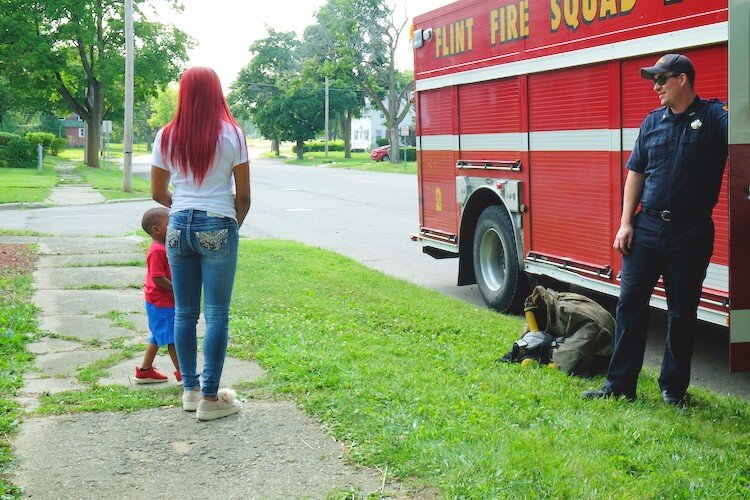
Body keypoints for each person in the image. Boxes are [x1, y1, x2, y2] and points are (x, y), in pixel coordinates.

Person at [583, 54, 728, 406]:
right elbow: (636, 172)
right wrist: (625, 222)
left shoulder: (712, 117)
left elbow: (742, 133)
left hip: (690, 231)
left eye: (661, 79)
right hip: (646, 227)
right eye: (653, 80)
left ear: (682, 79)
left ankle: (673, 390)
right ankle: (619, 385)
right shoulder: (651, 123)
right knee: (630, 303)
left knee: (681, 312)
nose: (655, 86)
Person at [151, 67, 251, 421]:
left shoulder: (166, 136)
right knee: (218, 313)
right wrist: (230, 226)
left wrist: (182, 209)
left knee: (185, 312)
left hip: (178, 225)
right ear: (215, 93)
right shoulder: (232, 134)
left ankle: (190, 392)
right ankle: (211, 398)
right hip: (219, 222)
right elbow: (244, 196)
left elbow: (157, 192)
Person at [136, 207, 181, 384]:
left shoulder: (164, 246)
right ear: (156, 230)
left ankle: (145, 371)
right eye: (170, 224)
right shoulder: (157, 250)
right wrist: (176, 290)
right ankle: (184, 373)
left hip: (160, 302)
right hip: (161, 302)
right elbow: (157, 278)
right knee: (173, 339)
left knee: (157, 335)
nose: (175, 227)